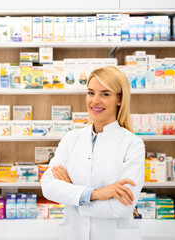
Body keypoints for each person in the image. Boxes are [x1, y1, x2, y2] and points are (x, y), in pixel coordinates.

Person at [41, 66, 145, 240]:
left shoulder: (133, 145)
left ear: (119, 99)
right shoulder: (71, 139)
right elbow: (48, 186)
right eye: (91, 93)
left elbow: (122, 206)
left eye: (105, 94)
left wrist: (74, 197)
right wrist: (97, 194)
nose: (95, 101)